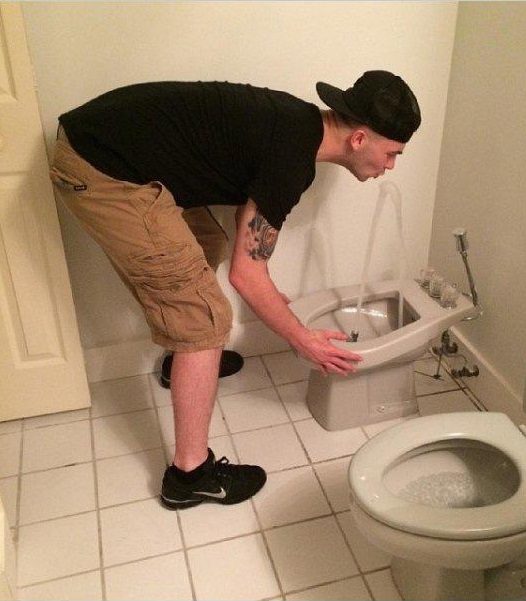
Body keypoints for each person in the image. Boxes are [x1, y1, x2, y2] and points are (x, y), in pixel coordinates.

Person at [50, 70, 421, 510]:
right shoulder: (290, 159)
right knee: (205, 320)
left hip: (105, 145)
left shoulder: (296, 127)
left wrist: (273, 298)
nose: (391, 166)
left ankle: (183, 363)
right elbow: (246, 276)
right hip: (99, 168)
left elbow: (250, 246)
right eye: (392, 153)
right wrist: (302, 338)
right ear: (359, 139)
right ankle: (189, 476)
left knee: (207, 243)